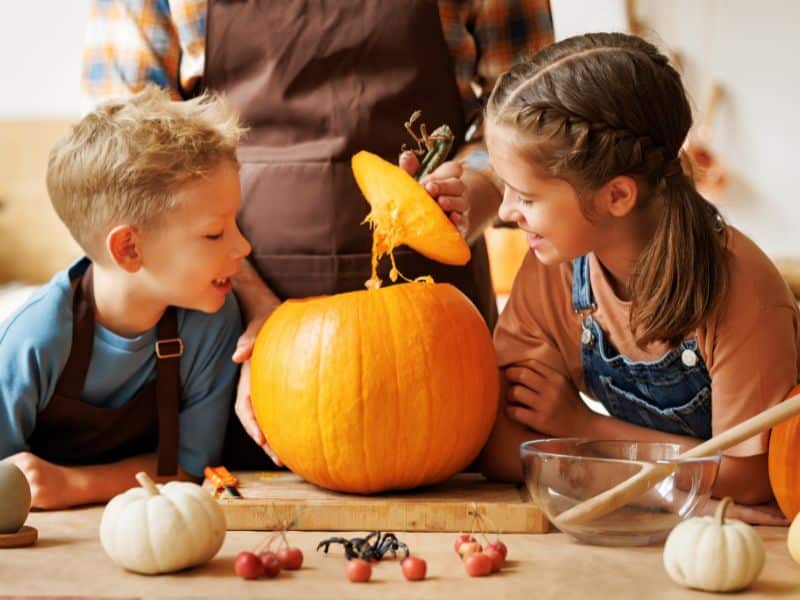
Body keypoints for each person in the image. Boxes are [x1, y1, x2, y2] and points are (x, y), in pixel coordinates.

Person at [81, 0, 555, 469]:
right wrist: (252, 301)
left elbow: (534, 117)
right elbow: (127, 160)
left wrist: (475, 190)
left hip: (437, 322)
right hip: (232, 317)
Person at [476, 33, 800, 518]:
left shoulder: (739, 287)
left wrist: (583, 428)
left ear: (617, 196)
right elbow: (502, 444)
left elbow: (749, 478)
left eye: (526, 197)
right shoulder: (554, 269)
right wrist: (689, 498)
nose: (505, 211)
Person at [0, 86, 251, 509]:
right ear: (129, 250)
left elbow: (193, 466)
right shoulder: (33, 339)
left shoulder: (212, 318)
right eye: (214, 232)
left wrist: (73, 485)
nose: (244, 247)